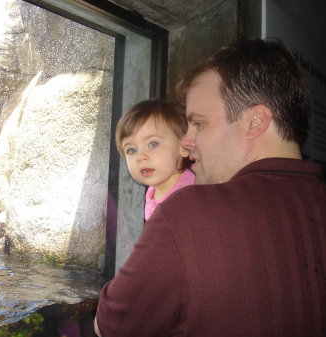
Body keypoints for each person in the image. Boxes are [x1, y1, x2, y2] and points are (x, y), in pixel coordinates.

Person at [94, 38, 326, 337]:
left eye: (199, 124)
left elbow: (111, 326)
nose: (186, 140)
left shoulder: (187, 212)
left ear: (255, 122)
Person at [115, 99, 194, 221]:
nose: (140, 157)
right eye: (132, 150)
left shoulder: (189, 195)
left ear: (183, 147)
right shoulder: (153, 190)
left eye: (153, 144)